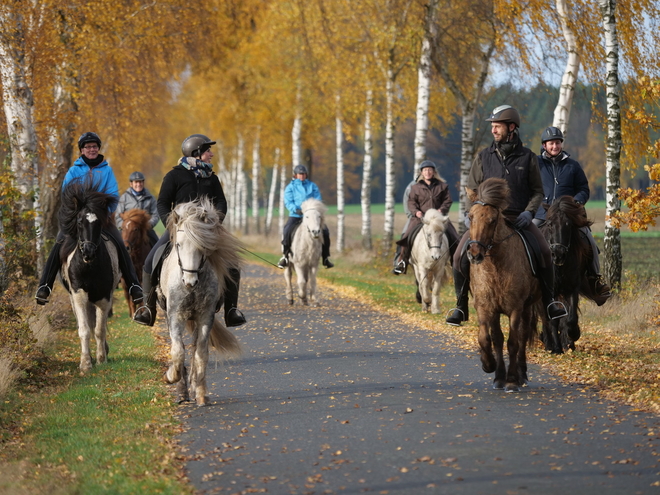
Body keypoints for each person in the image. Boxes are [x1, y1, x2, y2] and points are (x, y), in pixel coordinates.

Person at [445, 105, 568, 326]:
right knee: (457, 257)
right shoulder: (484, 156)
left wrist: (529, 213)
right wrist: (474, 212)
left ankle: (550, 302)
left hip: (517, 218)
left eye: (497, 126)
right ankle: (460, 305)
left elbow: (538, 191)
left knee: (544, 252)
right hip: (486, 220)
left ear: (511, 128)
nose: (493, 130)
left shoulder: (528, 158)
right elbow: (471, 188)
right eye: (492, 126)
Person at [133, 134, 246, 327]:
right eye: (208, 150)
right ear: (197, 152)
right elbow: (162, 203)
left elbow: (221, 202)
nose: (211, 154)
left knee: (233, 263)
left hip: (207, 231)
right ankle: (148, 309)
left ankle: (231, 310)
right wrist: (171, 224)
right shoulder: (174, 175)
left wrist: (216, 220)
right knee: (151, 260)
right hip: (180, 229)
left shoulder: (212, 177)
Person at [35, 132, 144, 307]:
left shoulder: (106, 170)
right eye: (88, 147)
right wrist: (77, 213)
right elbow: (67, 196)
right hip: (78, 218)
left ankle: (134, 286)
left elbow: (113, 195)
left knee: (119, 244)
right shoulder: (74, 170)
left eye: (94, 147)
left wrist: (102, 213)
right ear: (82, 150)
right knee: (59, 242)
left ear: (98, 149)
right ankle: (45, 286)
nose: (91, 149)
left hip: (101, 218)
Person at [533, 126, 611, 305]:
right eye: (551, 143)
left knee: (589, 240)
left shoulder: (572, 165)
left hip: (568, 215)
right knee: (525, 239)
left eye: (558, 143)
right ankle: (522, 278)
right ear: (544, 145)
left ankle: (594, 279)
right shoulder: (536, 164)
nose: (555, 146)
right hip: (542, 213)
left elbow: (583, 188)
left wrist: (576, 202)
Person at [392, 160, 460, 274]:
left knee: (455, 238)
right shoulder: (415, 187)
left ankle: (457, 264)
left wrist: (441, 210)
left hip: (438, 219)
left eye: (430, 170)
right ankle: (401, 262)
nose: (427, 172)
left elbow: (448, 200)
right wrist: (416, 212)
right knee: (405, 237)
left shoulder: (442, 186)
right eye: (425, 170)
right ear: (421, 173)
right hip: (420, 219)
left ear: (434, 172)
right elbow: (411, 202)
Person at [277, 164, 334, 269]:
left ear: (306, 174)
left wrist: (313, 209)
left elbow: (317, 200)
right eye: (300, 174)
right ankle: (285, 256)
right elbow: (288, 202)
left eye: (303, 174)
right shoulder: (290, 187)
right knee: (287, 231)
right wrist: (295, 209)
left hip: (311, 216)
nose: (302, 176)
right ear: (295, 175)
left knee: (325, 231)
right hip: (296, 215)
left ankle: (325, 258)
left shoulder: (312, 186)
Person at [115, 171, 160, 247]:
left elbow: (156, 214)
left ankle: (159, 258)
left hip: (145, 229)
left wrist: (148, 225)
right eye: (136, 182)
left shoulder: (150, 197)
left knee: (157, 243)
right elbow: (118, 215)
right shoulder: (124, 197)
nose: (138, 184)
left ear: (143, 183)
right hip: (127, 229)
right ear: (131, 184)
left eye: (140, 182)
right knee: (116, 243)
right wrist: (124, 226)